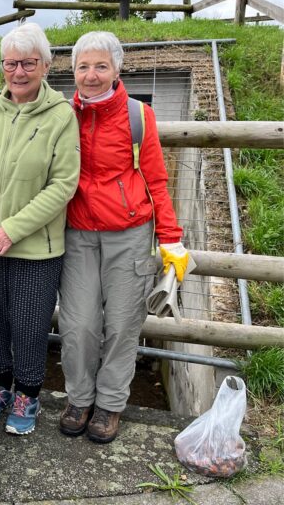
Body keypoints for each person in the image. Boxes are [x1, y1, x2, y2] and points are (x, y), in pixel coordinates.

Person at [58, 31, 189, 444]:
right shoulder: (63, 116)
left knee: (121, 326)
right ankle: (79, 397)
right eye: (83, 66)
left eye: (101, 66)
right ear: (73, 70)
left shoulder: (138, 116)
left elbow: (155, 177)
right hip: (77, 233)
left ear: (117, 69)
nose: (91, 75)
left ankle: (110, 404)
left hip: (129, 235)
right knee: (78, 325)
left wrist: (170, 237)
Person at [0, 23, 80, 435]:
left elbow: (63, 183)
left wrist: (12, 228)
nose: (19, 72)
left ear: (45, 65)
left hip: (34, 246)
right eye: (11, 63)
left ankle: (27, 393)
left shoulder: (61, 116)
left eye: (28, 63)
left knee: (29, 320)